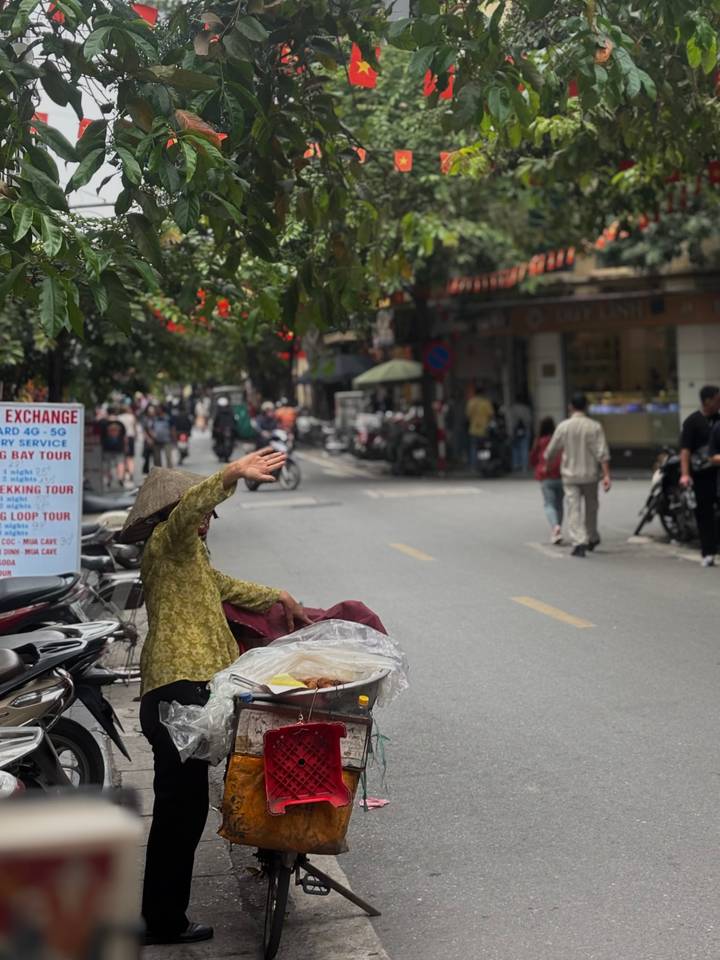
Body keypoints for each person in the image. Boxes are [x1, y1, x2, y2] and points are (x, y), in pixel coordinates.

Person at [118, 449, 309, 946]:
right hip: (175, 692)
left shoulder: (193, 558)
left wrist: (279, 596)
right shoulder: (167, 542)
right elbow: (184, 515)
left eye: (209, 516)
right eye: (200, 513)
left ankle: (162, 916)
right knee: (180, 814)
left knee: (182, 811)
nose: (205, 522)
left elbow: (224, 585)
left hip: (188, 696)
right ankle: (162, 921)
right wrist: (230, 475)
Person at [545, 393, 611, 557]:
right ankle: (592, 536)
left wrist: (548, 466)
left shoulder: (564, 426)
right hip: (590, 475)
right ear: (586, 407)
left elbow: (551, 451)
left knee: (574, 508)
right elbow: (602, 452)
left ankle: (579, 541)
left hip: (570, 475)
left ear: (571, 407)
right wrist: (607, 475)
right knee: (591, 508)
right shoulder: (595, 426)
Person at [680, 384, 720, 567]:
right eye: (717, 400)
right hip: (702, 475)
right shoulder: (692, 422)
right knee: (704, 514)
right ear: (707, 401)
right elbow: (685, 451)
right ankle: (708, 552)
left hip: (718, 472)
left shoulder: (718, 420)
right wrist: (685, 474)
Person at [530, 416, 564, 544]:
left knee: (549, 504)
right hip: (561, 475)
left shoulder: (539, 441)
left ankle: (555, 527)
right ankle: (558, 528)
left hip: (546, 476)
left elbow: (533, 458)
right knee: (559, 504)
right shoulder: (559, 440)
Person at [466, 383, 494, 471]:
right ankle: (483, 465)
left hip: (473, 429)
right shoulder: (486, 402)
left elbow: (468, 415)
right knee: (484, 448)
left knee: (473, 448)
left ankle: (473, 466)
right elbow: (491, 415)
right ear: (483, 393)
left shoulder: (471, 402)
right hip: (484, 429)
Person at [99, 406, 127, 490]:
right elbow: (124, 436)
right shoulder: (120, 423)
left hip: (107, 446)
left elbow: (100, 435)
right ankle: (120, 478)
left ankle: (108, 480)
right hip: (119, 446)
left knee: (107, 464)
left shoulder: (103, 423)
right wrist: (126, 446)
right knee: (120, 462)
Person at [509, 396, 532, 473]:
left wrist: (510, 432)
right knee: (524, 449)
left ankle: (516, 465)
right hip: (525, 430)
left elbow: (511, 422)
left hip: (515, 431)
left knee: (515, 449)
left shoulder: (513, 409)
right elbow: (529, 420)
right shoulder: (526, 409)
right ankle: (524, 467)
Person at [117, 404, 138, 487]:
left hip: (121, 438)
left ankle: (123, 475)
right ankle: (131, 474)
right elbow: (135, 427)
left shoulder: (119, 417)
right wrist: (135, 435)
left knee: (123, 457)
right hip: (130, 437)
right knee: (130, 457)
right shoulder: (132, 417)